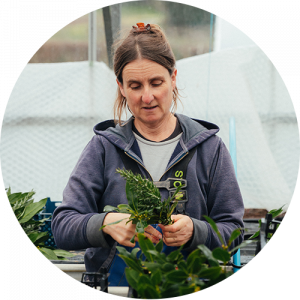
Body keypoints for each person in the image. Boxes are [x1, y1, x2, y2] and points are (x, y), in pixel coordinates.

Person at [51, 23, 244, 286]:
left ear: (173, 77)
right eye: (135, 85)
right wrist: (105, 223)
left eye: (156, 82)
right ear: (121, 86)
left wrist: (195, 230)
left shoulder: (209, 149)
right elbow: (62, 225)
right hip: (116, 287)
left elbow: (233, 232)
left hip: (189, 286)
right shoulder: (103, 148)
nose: (147, 96)